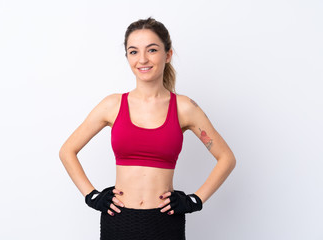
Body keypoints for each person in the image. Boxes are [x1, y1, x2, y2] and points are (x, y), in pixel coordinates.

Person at [59, 17, 236, 240]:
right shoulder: (112, 105)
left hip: (165, 222)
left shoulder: (184, 108)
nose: (142, 59)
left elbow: (226, 158)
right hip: (118, 220)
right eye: (133, 52)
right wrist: (91, 196)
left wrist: (195, 200)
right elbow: (67, 151)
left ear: (168, 54)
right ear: (127, 57)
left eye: (152, 50)